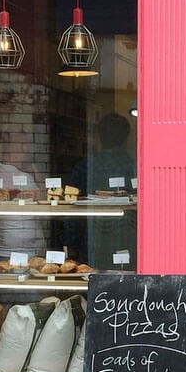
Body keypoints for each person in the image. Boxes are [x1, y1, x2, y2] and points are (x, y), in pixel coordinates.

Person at [68, 112, 137, 270]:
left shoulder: (85, 166)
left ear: (100, 136)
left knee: (94, 276)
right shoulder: (134, 167)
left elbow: (71, 207)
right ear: (126, 138)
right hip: (127, 236)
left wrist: (71, 243)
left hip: (93, 239)